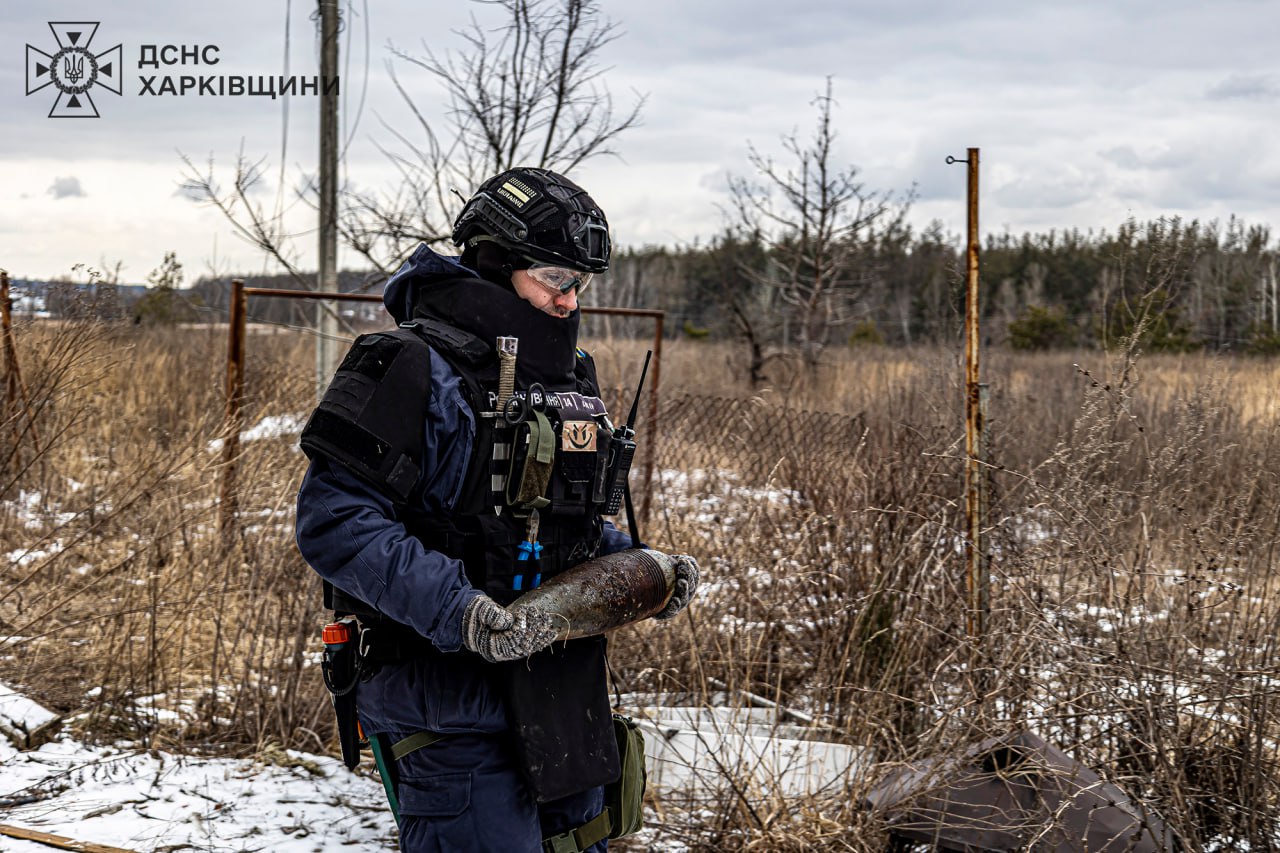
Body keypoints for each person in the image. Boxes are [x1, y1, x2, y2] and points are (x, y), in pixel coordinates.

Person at [295, 166, 699, 853]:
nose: (571, 301)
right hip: (451, 712)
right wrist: (460, 611)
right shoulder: (402, 364)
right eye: (556, 279)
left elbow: (553, 522)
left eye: (580, 284)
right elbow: (336, 522)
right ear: (495, 262)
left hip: (566, 702)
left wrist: (635, 566)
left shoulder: (572, 376)